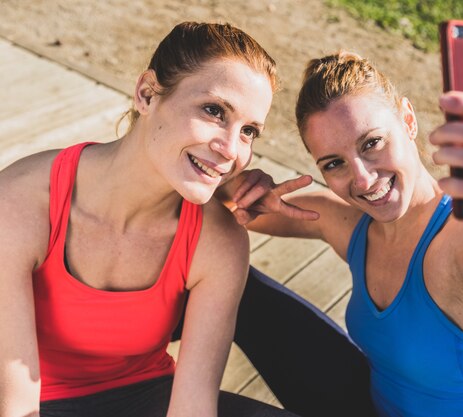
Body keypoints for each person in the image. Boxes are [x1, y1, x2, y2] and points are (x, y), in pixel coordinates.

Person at [223, 51, 463, 417]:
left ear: (408, 120)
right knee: (241, 292)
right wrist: (238, 184)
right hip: (376, 408)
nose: (362, 177)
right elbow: (241, 212)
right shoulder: (349, 224)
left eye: (372, 143)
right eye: (335, 163)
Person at [0, 21, 300, 417]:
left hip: (141, 396)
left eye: (248, 131)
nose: (231, 149)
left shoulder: (218, 241)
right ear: (146, 94)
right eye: (214, 111)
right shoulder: (21, 201)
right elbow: (18, 404)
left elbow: (192, 405)